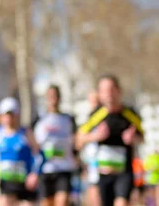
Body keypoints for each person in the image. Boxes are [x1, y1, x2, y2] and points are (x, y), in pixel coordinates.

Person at [77, 75, 144, 206]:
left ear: (119, 91)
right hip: (103, 173)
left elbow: (142, 138)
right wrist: (96, 136)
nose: (109, 94)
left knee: (121, 203)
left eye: (111, 89)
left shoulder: (130, 114)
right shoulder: (96, 114)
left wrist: (133, 138)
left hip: (124, 172)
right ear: (100, 94)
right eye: (104, 90)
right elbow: (79, 138)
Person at [0, 97, 44, 206]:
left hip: (26, 182)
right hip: (6, 182)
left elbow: (40, 156)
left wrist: (35, 174)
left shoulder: (26, 133)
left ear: (17, 115)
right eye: (5, 115)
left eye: (11, 114)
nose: (8, 118)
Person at [32, 85, 78, 206]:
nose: (53, 99)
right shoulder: (39, 119)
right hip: (45, 169)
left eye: (55, 96)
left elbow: (76, 141)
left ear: (59, 98)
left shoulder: (68, 119)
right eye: (50, 96)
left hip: (64, 168)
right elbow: (32, 143)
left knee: (62, 202)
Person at [81, 89, 102, 206]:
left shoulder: (106, 116)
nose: (95, 105)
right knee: (93, 195)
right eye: (93, 102)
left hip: (107, 164)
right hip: (92, 164)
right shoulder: (89, 119)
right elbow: (79, 139)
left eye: (97, 101)